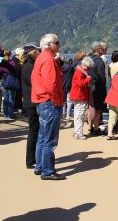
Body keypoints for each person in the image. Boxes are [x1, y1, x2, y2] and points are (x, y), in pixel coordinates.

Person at [31, 33, 65, 180]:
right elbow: (51, 84)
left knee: (42, 137)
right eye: (57, 43)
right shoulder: (48, 60)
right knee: (50, 139)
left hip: (41, 101)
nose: (59, 45)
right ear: (50, 45)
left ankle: (39, 167)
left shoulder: (40, 58)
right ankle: (47, 171)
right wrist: (58, 100)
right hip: (50, 102)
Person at [21, 42, 41, 169]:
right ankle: (30, 160)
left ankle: (33, 158)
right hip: (32, 102)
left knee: (35, 131)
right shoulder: (30, 67)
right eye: (37, 51)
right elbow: (34, 83)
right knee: (34, 131)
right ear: (32, 53)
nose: (39, 53)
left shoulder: (28, 66)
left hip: (30, 101)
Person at [70, 56, 94, 140]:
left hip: (78, 96)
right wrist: (88, 79)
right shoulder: (80, 72)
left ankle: (77, 132)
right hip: (79, 96)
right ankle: (78, 133)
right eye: (88, 67)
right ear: (86, 66)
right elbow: (81, 84)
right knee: (80, 115)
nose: (88, 69)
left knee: (79, 115)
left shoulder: (79, 70)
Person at [88, 41, 107, 135]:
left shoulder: (89, 59)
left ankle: (90, 127)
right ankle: (96, 129)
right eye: (102, 49)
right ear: (99, 50)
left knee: (90, 107)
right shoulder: (99, 61)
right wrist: (104, 92)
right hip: (97, 88)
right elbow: (101, 77)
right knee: (98, 109)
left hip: (89, 87)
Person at [0, 49, 18, 119]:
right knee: (11, 98)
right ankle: (10, 114)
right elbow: (14, 71)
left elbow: (0, 71)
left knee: (6, 98)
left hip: (3, 81)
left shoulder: (2, 62)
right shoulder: (11, 62)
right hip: (10, 82)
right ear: (10, 54)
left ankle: (5, 114)